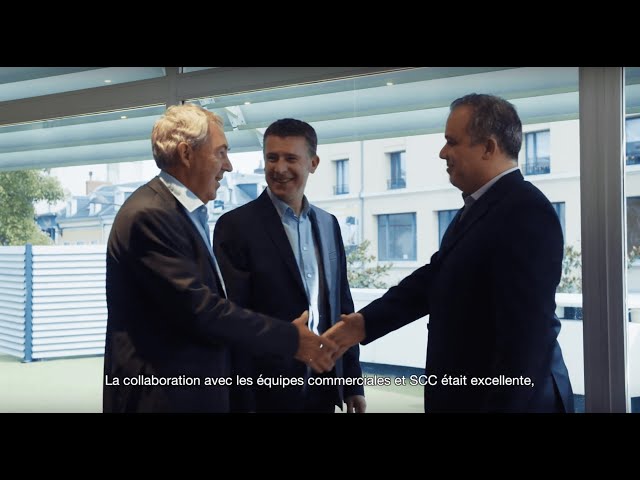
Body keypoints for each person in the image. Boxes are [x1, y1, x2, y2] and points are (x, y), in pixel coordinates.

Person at [324, 94, 574, 413]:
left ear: (488, 147)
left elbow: (525, 342)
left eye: (452, 142)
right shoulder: (481, 207)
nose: (443, 153)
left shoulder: (525, 212)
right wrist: (363, 323)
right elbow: (435, 278)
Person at [103, 104, 336, 413]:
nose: (228, 166)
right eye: (221, 152)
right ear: (187, 154)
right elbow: (201, 311)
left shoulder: (180, 214)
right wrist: (291, 338)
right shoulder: (151, 215)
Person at [213, 118, 366, 413]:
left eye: (290, 158)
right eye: (272, 158)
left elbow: (342, 307)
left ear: (313, 163)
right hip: (264, 393)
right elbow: (233, 318)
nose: (279, 168)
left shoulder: (328, 224)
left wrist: (352, 384)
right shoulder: (235, 226)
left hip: (323, 387)